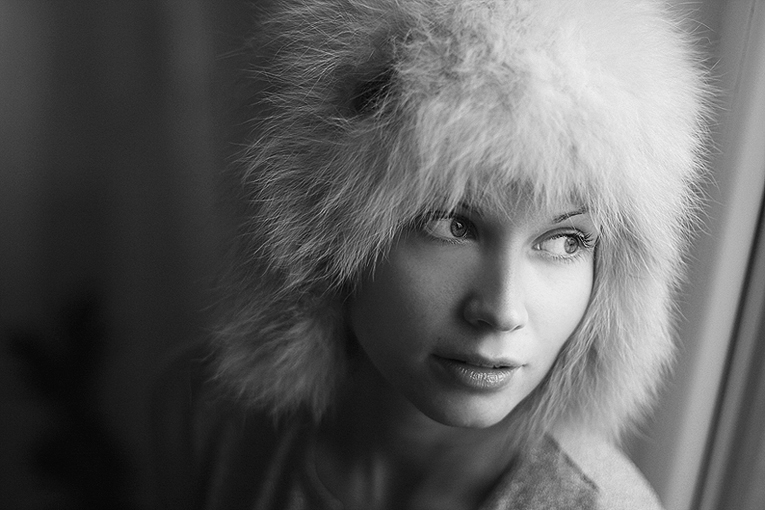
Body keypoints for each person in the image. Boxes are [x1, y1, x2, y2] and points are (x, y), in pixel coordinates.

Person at [152, 0, 709, 508]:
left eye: (566, 241)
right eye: (451, 224)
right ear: (324, 232)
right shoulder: (208, 416)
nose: (502, 310)